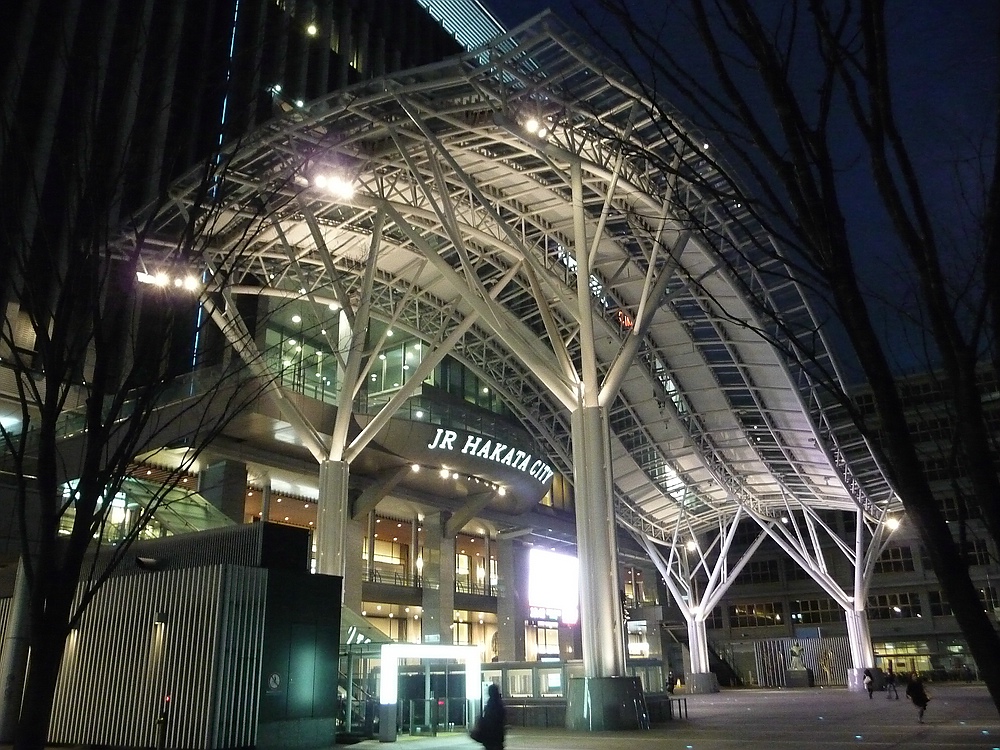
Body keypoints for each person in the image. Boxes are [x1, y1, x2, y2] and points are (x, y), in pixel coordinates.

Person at [472, 683, 506, 750]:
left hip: (490, 737)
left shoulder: (491, 704)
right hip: (497, 737)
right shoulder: (499, 703)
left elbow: (489, 719)